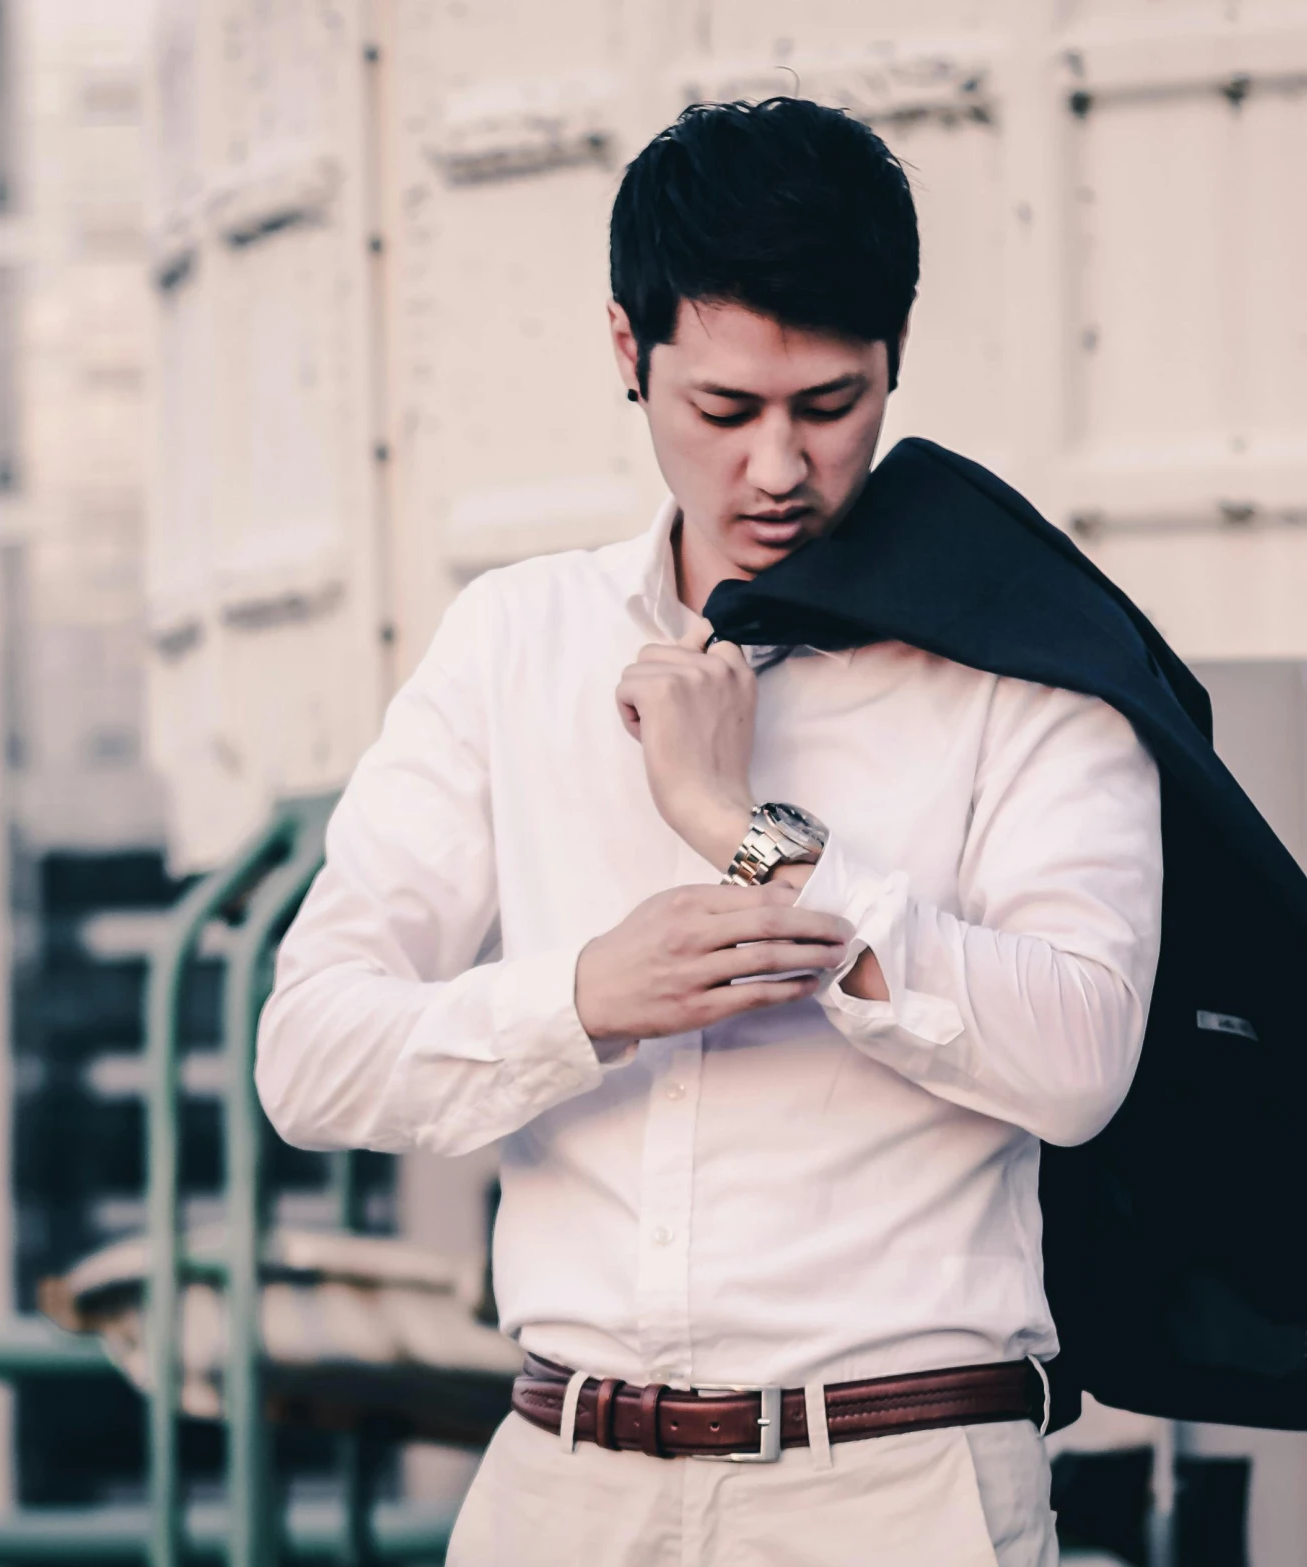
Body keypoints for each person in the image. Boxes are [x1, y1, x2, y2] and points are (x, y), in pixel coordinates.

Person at [255, 98, 1162, 1566]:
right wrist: (579, 1001)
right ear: (629, 352)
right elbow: (306, 1053)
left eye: (830, 404)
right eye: (723, 411)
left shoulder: (1032, 667)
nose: (778, 470)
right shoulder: (515, 644)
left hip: (897, 1484)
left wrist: (740, 829)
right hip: (559, 1481)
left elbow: (1077, 1059)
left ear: (893, 363)